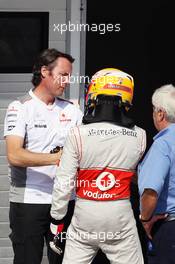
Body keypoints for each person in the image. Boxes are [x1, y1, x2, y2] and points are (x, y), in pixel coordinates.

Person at [50, 68, 146, 264]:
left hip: (85, 214)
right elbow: (143, 181)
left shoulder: (77, 133)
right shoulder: (141, 135)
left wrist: (56, 219)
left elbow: (64, 181)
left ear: (94, 92)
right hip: (120, 216)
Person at [4, 48, 83, 264]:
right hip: (30, 201)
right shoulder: (20, 107)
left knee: (65, 260)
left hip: (65, 201)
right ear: (45, 72)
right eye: (63, 75)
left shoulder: (73, 110)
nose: (67, 81)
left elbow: (85, 151)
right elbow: (14, 155)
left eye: (69, 76)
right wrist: (59, 158)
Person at [138, 84, 175, 264]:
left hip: (168, 228)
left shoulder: (163, 144)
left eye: (153, 110)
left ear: (160, 113)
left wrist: (145, 219)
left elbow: (151, 192)